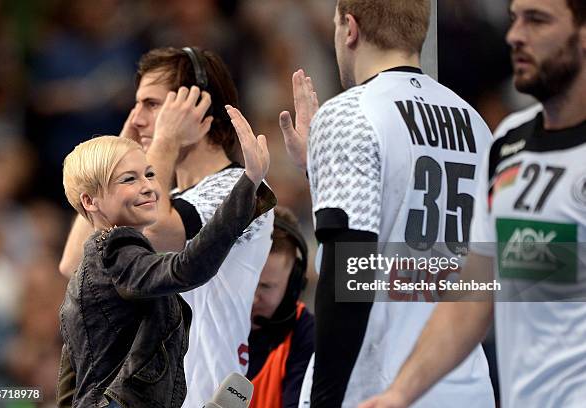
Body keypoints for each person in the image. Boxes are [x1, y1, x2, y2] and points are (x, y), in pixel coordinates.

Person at [359, 0, 586, 407]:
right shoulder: (508, 143)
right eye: (514, 18)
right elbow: (474, 293)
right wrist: (399, 394)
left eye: (537, 20)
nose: (515, 35)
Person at [276, 0, 497, 406]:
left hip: (378, 387)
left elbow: (350, 267)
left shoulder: (350, 113)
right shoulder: (476, 124)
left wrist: (325, 399)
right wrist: (320, 169)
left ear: (350, 28)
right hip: (466, 386)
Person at [58, 47, 275, 406]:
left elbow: (158, 231)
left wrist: (163, 142)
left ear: (196, 108)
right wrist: (112, 167)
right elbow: (77, 265)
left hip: (206, 392)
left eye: (152, 104)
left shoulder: (239, 187)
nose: (137, 118)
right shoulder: (158, 196)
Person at [247, 206, 315, 408]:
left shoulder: (307, 337)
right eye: (246, 283)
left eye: (265, 286)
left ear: (293, 285)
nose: (252, 299)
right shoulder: (197, 320)